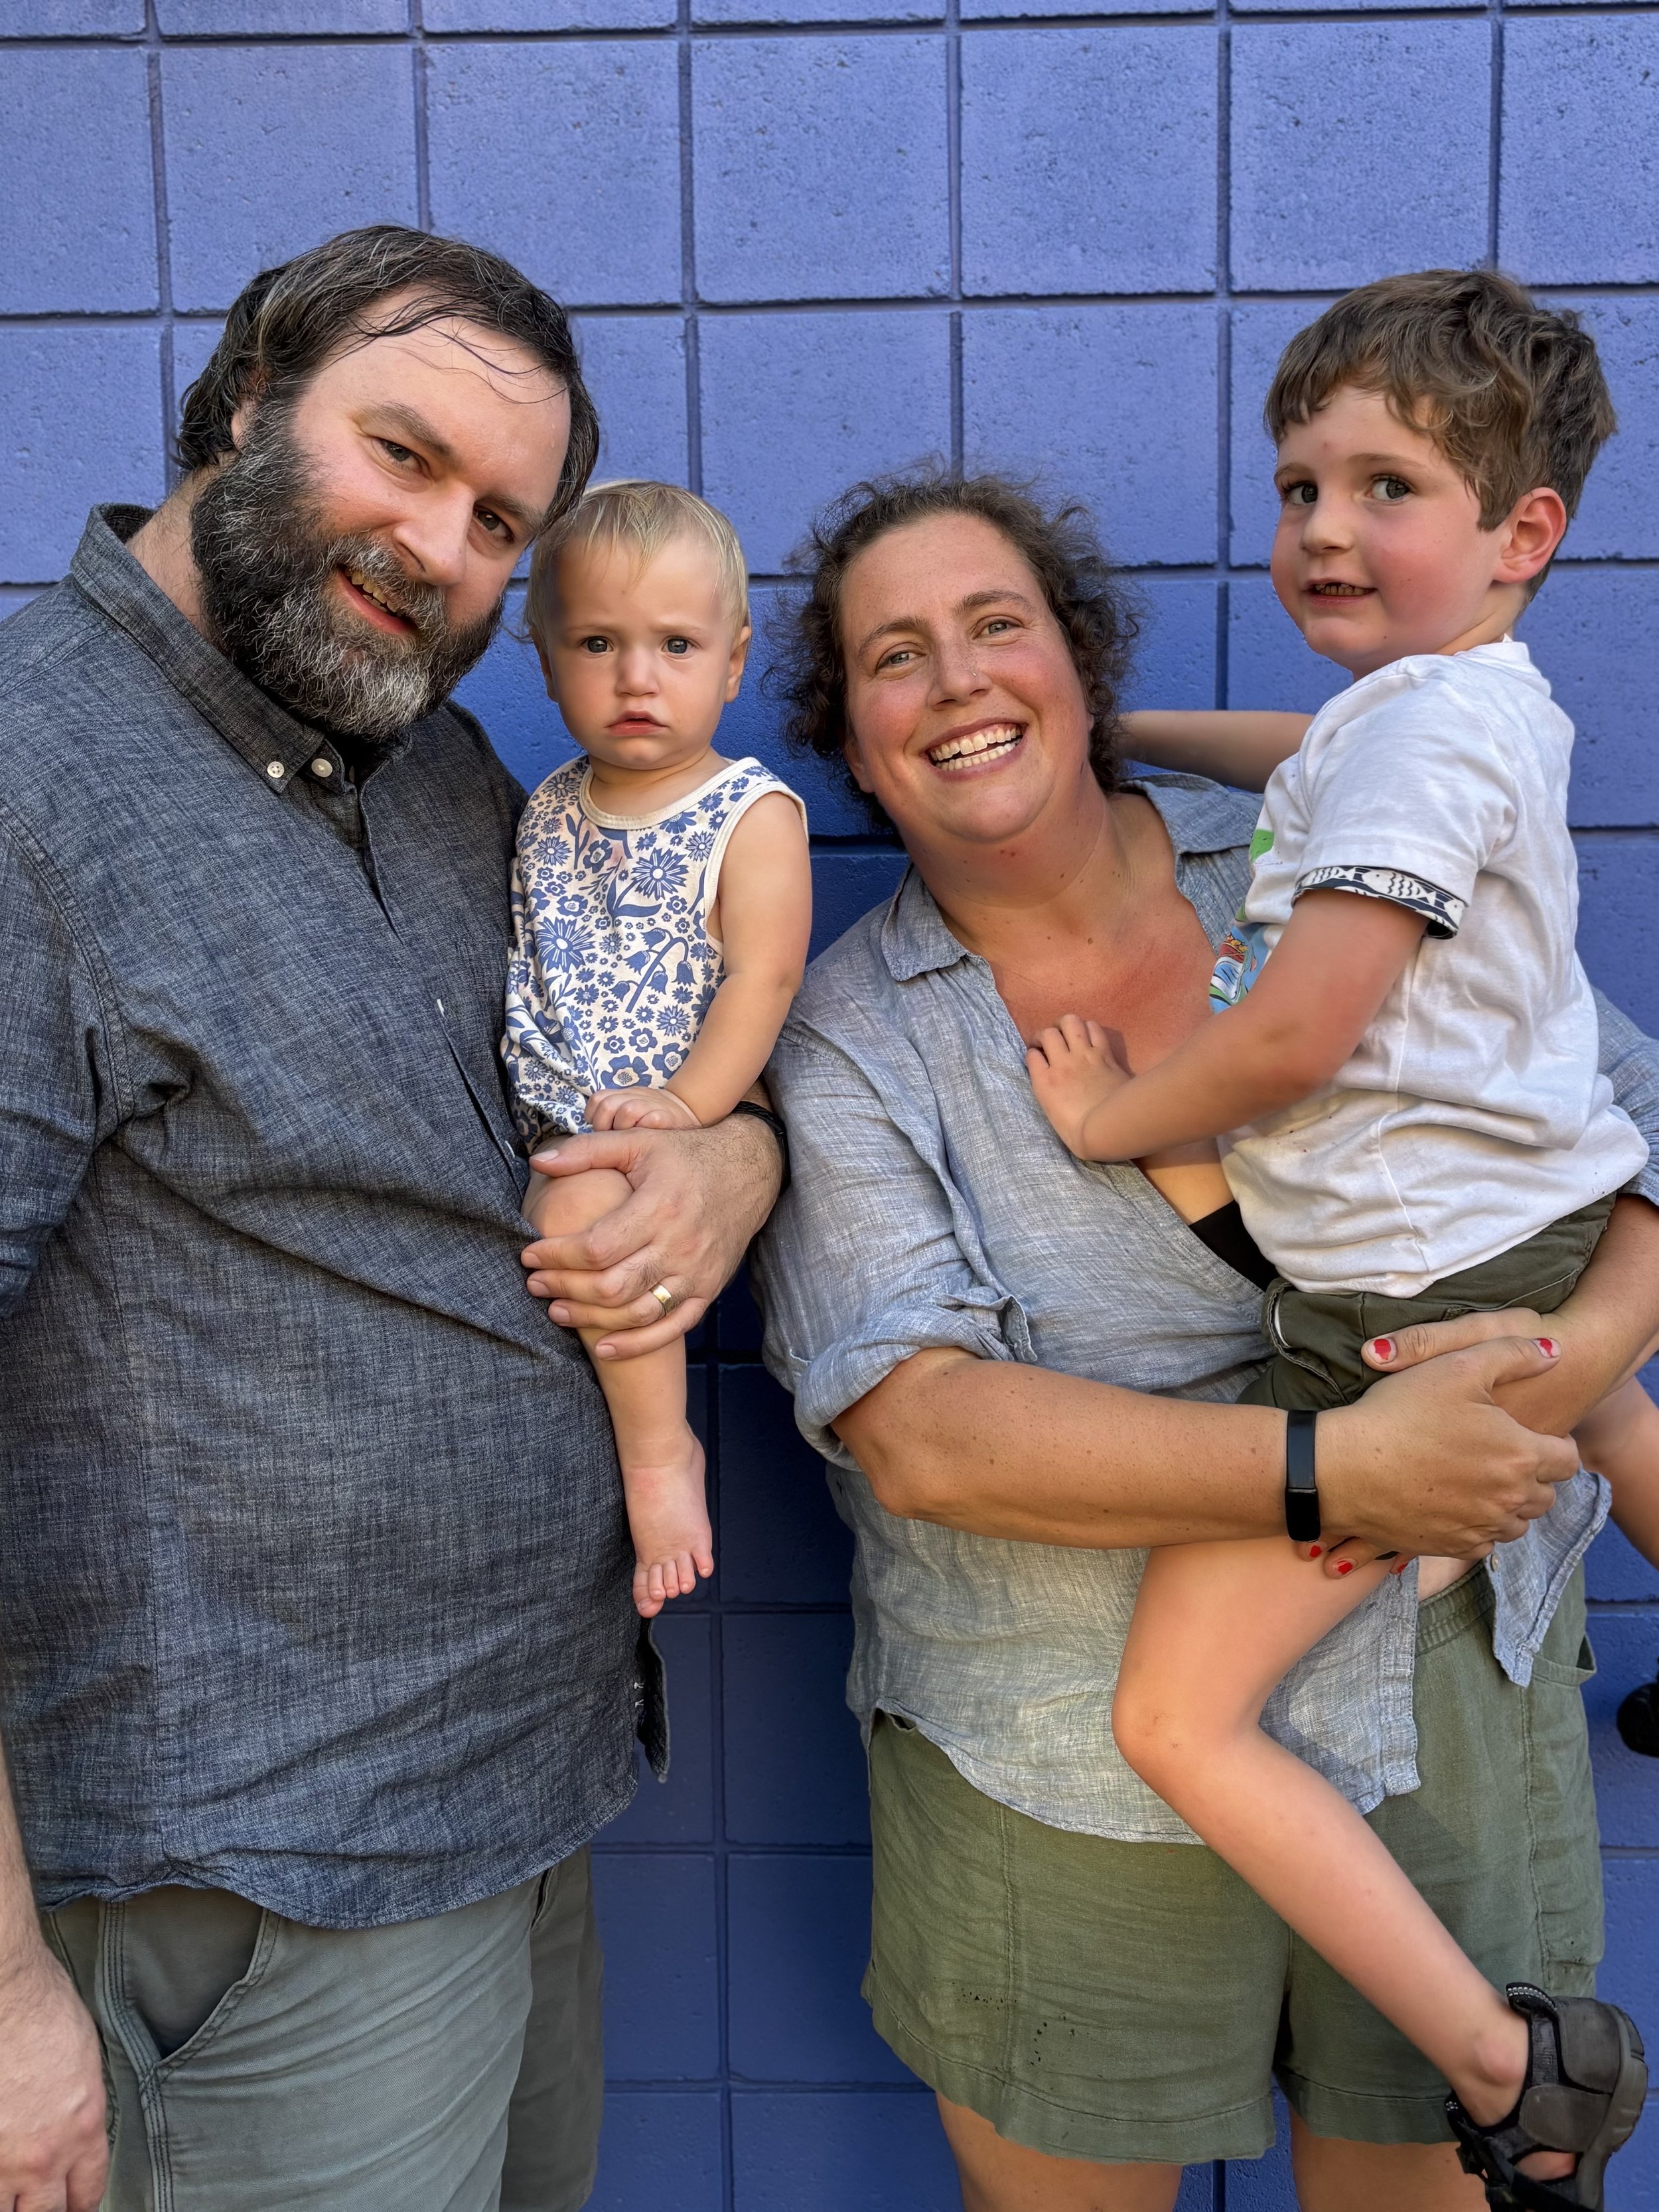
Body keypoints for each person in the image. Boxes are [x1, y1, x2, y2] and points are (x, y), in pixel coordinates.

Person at [750, 466, 1659, 2212]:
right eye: (893, 655)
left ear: (1079, 664)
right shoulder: (850, 1036)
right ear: (849, 743)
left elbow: (1631, 1128)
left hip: (1440, 1714)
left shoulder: (1310, 852)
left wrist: (1564, 1369)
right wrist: (1341, 1465)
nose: (955, 678)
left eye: (996, 624)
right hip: (1052, 1767)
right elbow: (919, 1429)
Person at [0, 227, 785, 2212]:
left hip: (516, 1792)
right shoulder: (27, 782)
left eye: (500, 519)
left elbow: (617, 1065)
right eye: (402, 453)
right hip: (255, 1878)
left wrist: (732, 1161)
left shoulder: (433, 756)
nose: (441, 545)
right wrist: (4, 1997)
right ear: (249, 398)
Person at [1019, 273, 1653, 2206]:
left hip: (1409, 1302)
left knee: (1174, 1711)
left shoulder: (1421, 741)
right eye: (1300, 484)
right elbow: (1308, 752)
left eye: (1386, 486)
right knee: (1607, 1408)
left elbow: (1296, 1032)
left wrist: (1111, 1112)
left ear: (1520, 533)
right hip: (1523, 1230)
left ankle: (1516, 2068)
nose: (1319, 526)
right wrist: (1119, 729)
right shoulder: (1456, 708)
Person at [504, 480, 810, 1615]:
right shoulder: (547, 808)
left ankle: (659, 1454)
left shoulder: (749, 813)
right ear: (547, 663)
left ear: (733, 663)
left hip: (666, 1116)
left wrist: (687, 1106)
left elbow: (762, 978)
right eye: (598, 643)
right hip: (554, 1110)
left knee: (587, 1220)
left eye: (676, 645)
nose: (638, 677)